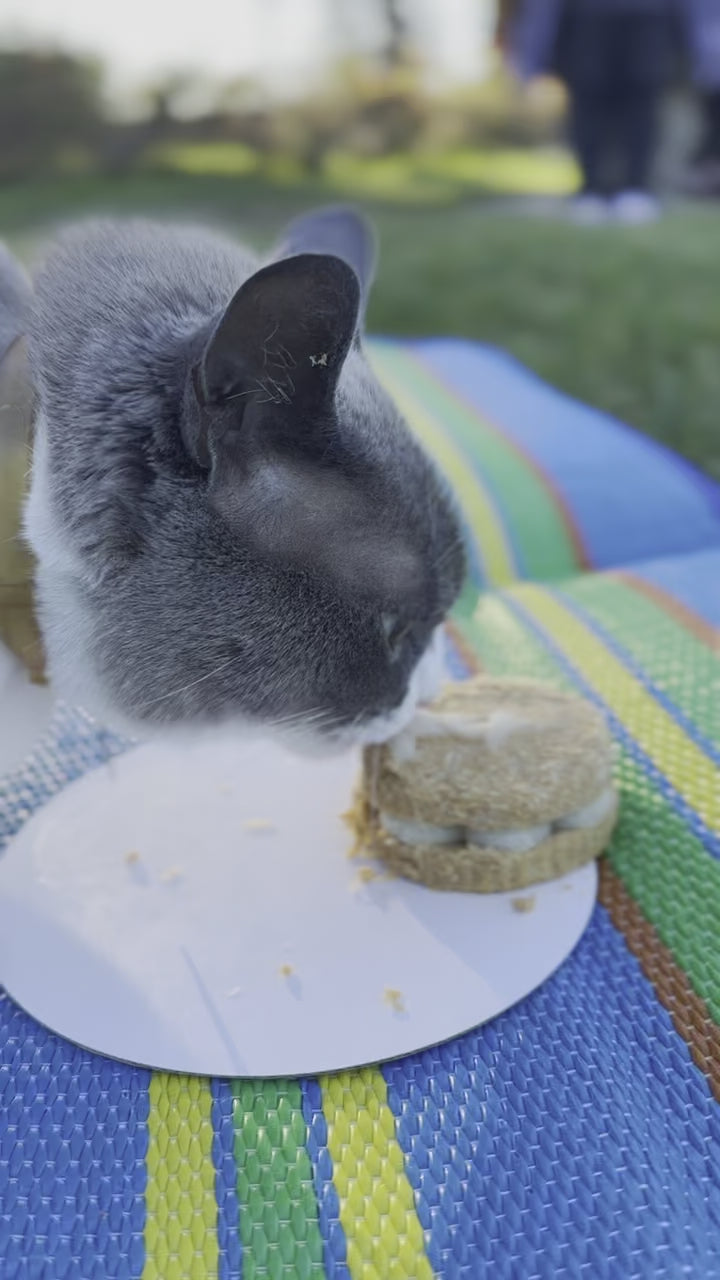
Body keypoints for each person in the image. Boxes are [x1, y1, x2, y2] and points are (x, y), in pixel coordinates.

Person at [506, 0, 686, 223]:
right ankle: (591, 189)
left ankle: (636, 188)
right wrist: (531, 57)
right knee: (589, 104)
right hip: (586, 17)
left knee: (641, 105)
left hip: (649, 15)